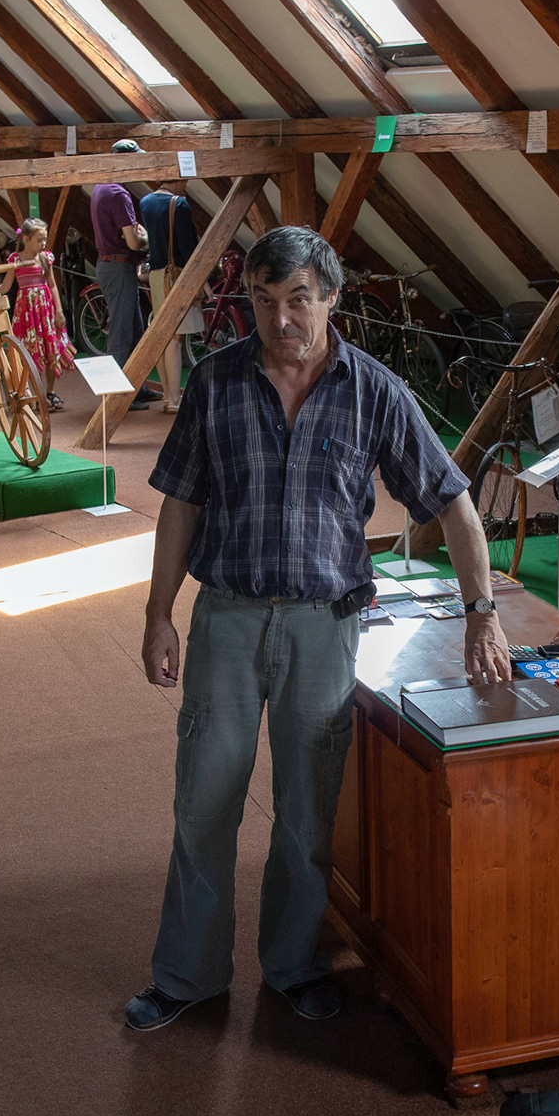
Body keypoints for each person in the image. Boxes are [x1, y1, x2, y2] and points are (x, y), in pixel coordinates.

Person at [124, 226, 513, 1033]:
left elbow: (454, 503)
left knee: (307, 815)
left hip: (324, 630)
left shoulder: (376, 391)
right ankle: (186, 975)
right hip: (226, 621)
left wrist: (483, 613)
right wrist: (160, 612)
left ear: (331, 298)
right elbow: (182, 503)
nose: (281, 318)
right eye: (264, 301)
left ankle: (294, 964)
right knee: (204, 808)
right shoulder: (216, 382)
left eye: (298, 299)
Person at [91, 139, 159, 411]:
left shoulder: (100, 188)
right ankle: (118, 397)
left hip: (110, 265)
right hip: (119, 266)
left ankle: (135, 388)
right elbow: (133, 242)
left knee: (134, 329)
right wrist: (148, 240)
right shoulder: (119, 195)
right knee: (121, 333)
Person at [0, 218, 75, 411]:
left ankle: (48, 391)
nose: (43, 243)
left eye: (44, 239)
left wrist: (59, 310)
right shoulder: (16, 259)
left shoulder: (45, 258)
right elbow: (6, 286)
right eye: (39, 239)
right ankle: (35, 392)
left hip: (45, 311)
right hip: (27, 313)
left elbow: (53, 285)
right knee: (31, 351)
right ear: (26, 239)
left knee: (49, 350)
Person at [138, 178, 200, 414]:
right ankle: (174, 399)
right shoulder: (179, 205)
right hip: (176, 276)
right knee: (175, 338)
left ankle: (168, 396)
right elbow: (187, 248)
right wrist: (201, 282)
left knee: (163, 335)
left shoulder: (145, 202)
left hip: (156, 274)